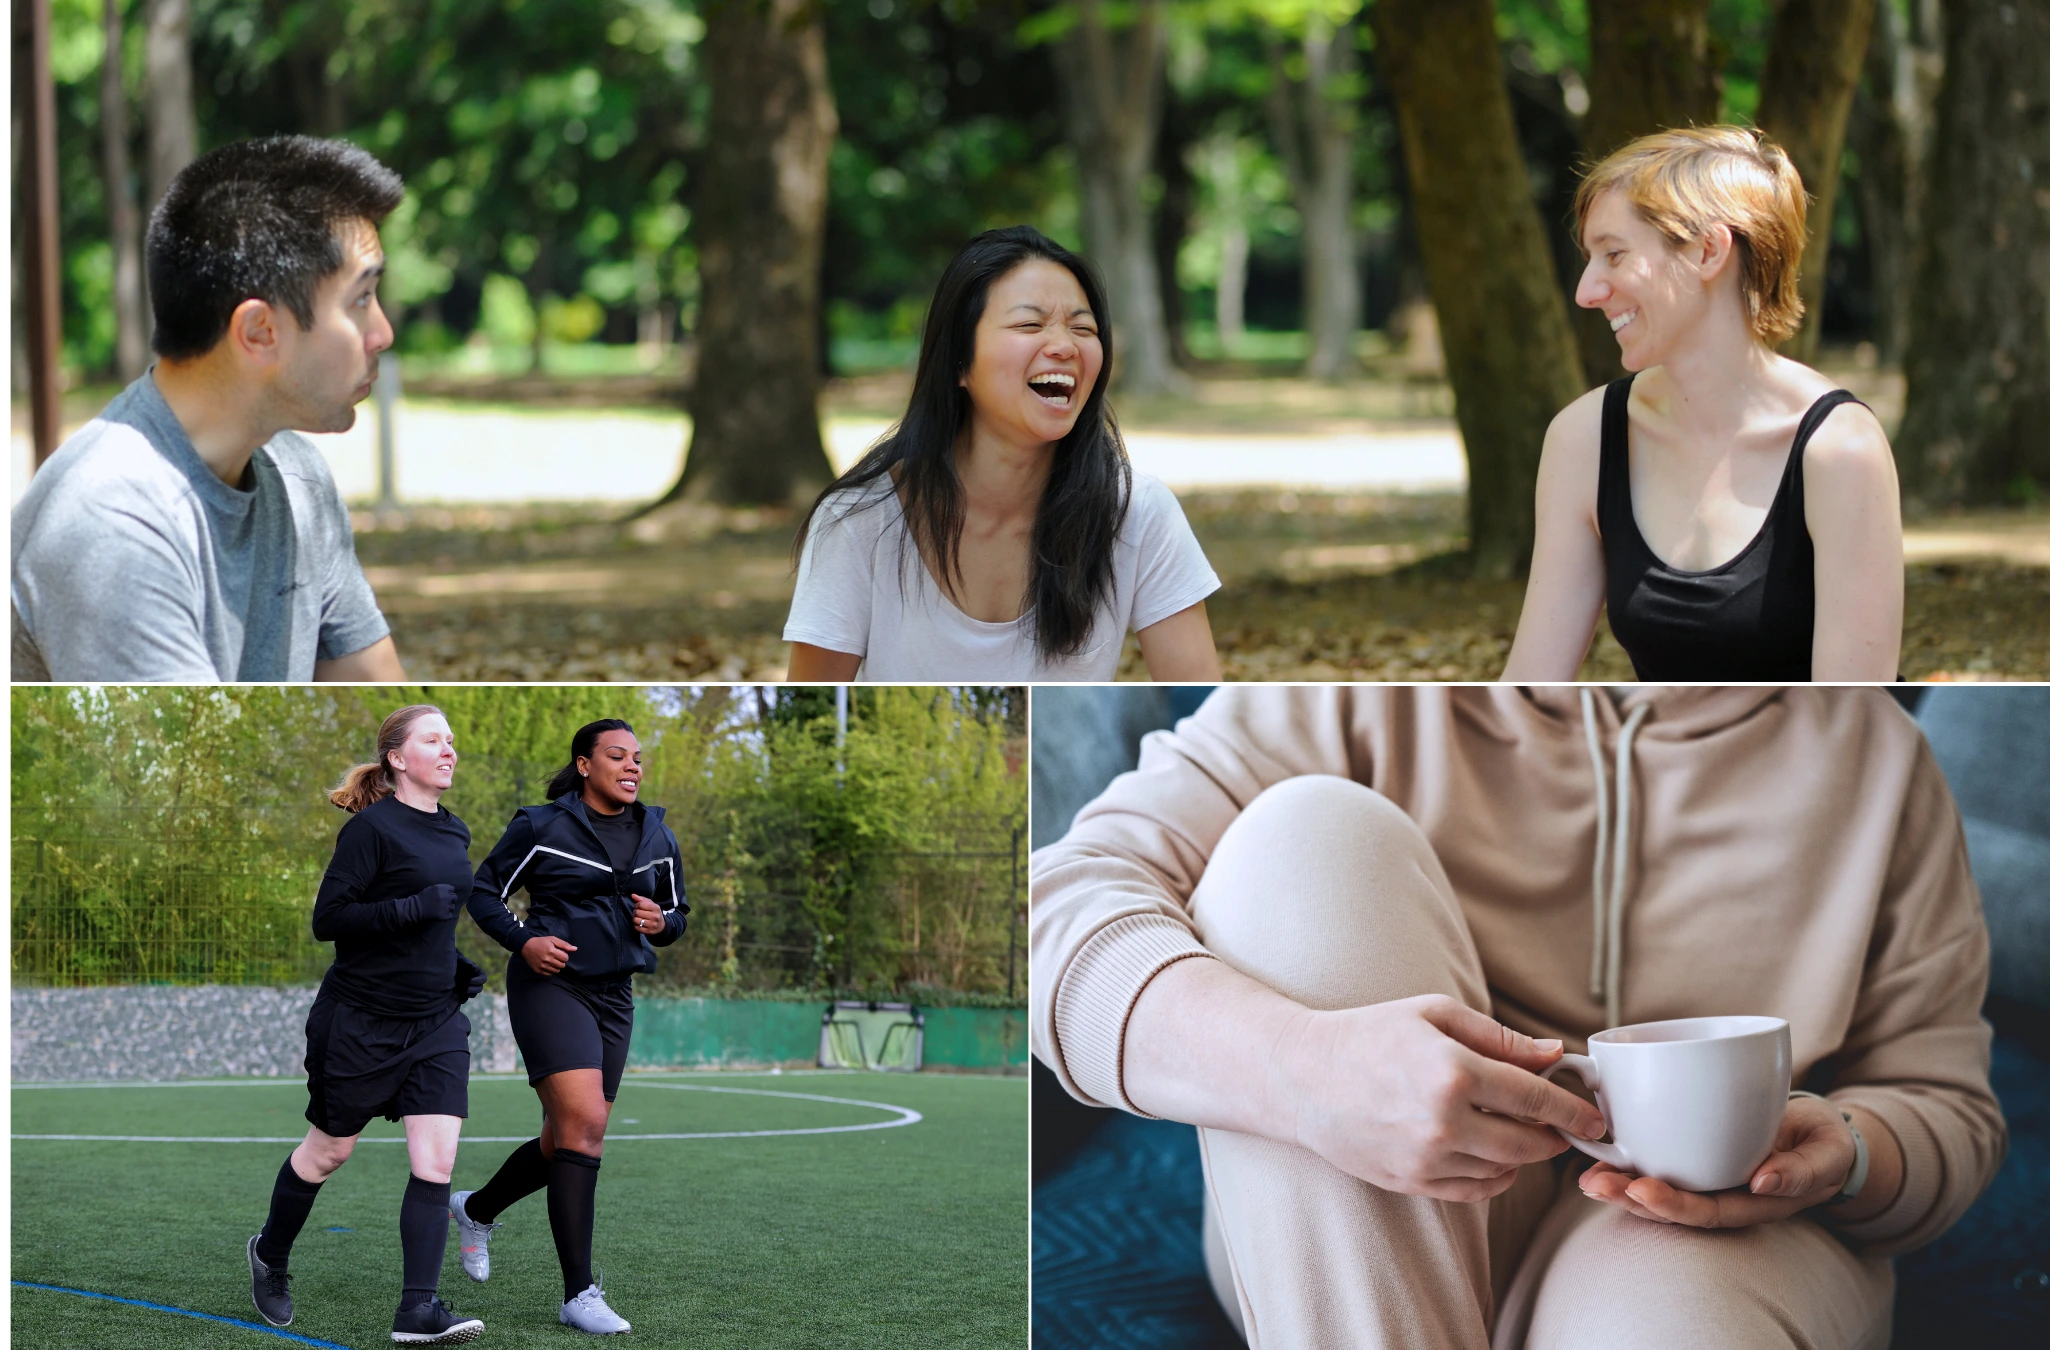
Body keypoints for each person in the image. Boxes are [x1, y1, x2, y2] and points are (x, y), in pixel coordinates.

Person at [1031, 685, 2003, 1349]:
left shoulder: (1877, 756)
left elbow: (1944, 1102)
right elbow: (1049, 913)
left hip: (1720, 1238)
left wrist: (1853, 1146)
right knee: (1300, 843)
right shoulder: (1348, 692)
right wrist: (1299, 1067)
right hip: (1359, 1225)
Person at [1503, 127, 1902, 681]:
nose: (1586, 291)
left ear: (1709, 250)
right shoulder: (1583, 439)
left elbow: (1850, 727)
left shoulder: (1840, 450)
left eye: (1614, 254)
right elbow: (1529, 691)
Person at [11, 135, 405, 682]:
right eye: (361, 300)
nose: (382, 333)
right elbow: (179, 766)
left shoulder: (299, 482)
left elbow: (384, 712)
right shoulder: (111, 522)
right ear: (259, 331)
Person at [783, 225, 1222, 682]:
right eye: (1029, 324)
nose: (1064, 346)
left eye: (1083, 328)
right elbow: (810, 710)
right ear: (958, 360)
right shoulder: (859, 522)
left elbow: (1199, 700)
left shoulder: (1137, 512)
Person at [248, 704, 487, 1346]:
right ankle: (270, 1254)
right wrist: (411, 908)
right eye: (433, 739)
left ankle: (417, 1310)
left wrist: (456, 964)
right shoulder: (371, 830)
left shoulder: (455, 831)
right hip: (359, 1021)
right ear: (396, 758)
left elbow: (436, 921)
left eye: (451, 740)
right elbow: (331, 920)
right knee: (330, 1152)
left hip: (435, 1021)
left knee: (435, 1162)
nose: (449, 750)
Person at [454, 719, 687, 1336]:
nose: (633, 766)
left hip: (617, 995)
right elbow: (484, 893)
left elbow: (677, 911)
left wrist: (662, 923)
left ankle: (476, 1210)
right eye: (617, 756)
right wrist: (524, 941)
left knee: (566, 1138)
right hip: (551, 987)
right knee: (585, 1127)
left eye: (638, 758)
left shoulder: (657, 834)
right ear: (585, 765)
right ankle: (578, 1293)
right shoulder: (542, 825)